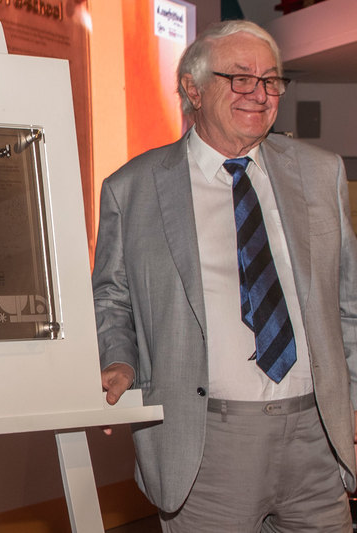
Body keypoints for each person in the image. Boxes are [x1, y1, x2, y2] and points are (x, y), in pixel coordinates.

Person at [93, 19, 357, 531]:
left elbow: (350, 301)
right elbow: (112, 298)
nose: (259, 93)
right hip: (205, 445)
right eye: (240, 77)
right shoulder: (133, 188)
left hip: (317, 437)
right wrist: (118, 358)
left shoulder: (321, 173)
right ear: (192, 88)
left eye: (270, 80)